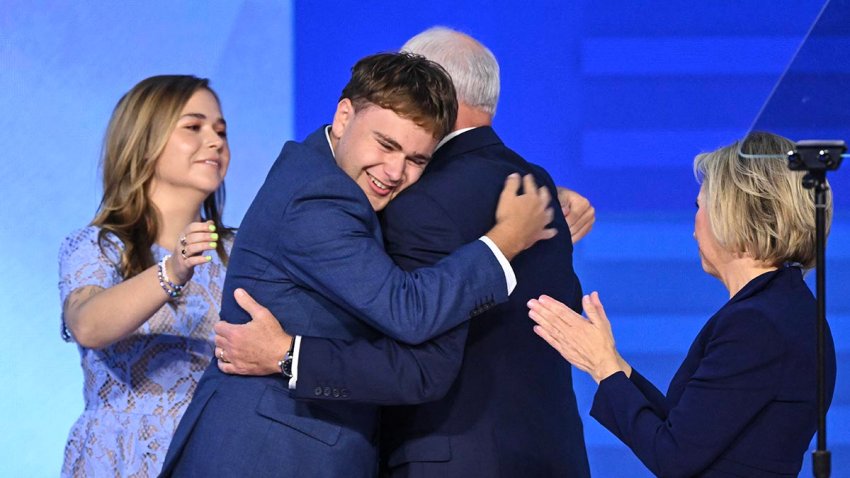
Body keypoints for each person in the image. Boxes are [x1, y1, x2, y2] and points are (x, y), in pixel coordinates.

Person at [216, 27, 592, 477]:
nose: (396, 172)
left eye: (414, 157)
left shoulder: (423, 200)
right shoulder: (535, 186)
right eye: (387, 144)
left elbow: (420, 352)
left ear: (435, 98)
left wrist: (287, 355)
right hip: (552, 456)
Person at [528, 131, 837, 477]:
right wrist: (613, 363)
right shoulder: (778, 306)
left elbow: (674, 456)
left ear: (733, 214)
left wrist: (603, 368)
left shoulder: (758, 323)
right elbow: (686, 428)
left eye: (699, 206)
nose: (694, 225)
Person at [58, 75, 234, 476]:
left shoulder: (241, 254)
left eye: (221, 130)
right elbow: (88, 324)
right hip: (121, 459)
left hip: (214, 456)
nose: (216, 140)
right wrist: (173, 269)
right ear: (143, 142)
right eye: (194, 127)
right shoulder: (97, 247)